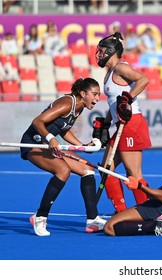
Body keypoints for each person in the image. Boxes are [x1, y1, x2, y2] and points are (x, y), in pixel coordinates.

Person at [19, 77, 106, 236]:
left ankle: (92, 220)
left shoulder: (79, 108)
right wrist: (50, 138)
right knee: (63, 170)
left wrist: (83, 146)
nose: (97, 99)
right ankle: (40, 216)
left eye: (99, 95)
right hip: (33, 143)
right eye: (94, 94)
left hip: (47, 144)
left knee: (87, 169)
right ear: (82, 93)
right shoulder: (67, 103)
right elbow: (38, 122)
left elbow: (64, 129)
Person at [94, 32, 151, 213]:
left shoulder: (120, 68)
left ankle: (147, 211)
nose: (99, 54)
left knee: (133, 174)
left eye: (102, 51)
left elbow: (143, 80)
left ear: (111, 51)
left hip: (132, 122)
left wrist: (128, 98)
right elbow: (115, 104)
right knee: (106, 169)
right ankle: (121, 211)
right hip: (120, 124)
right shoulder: (108, 74)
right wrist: (106, 122)